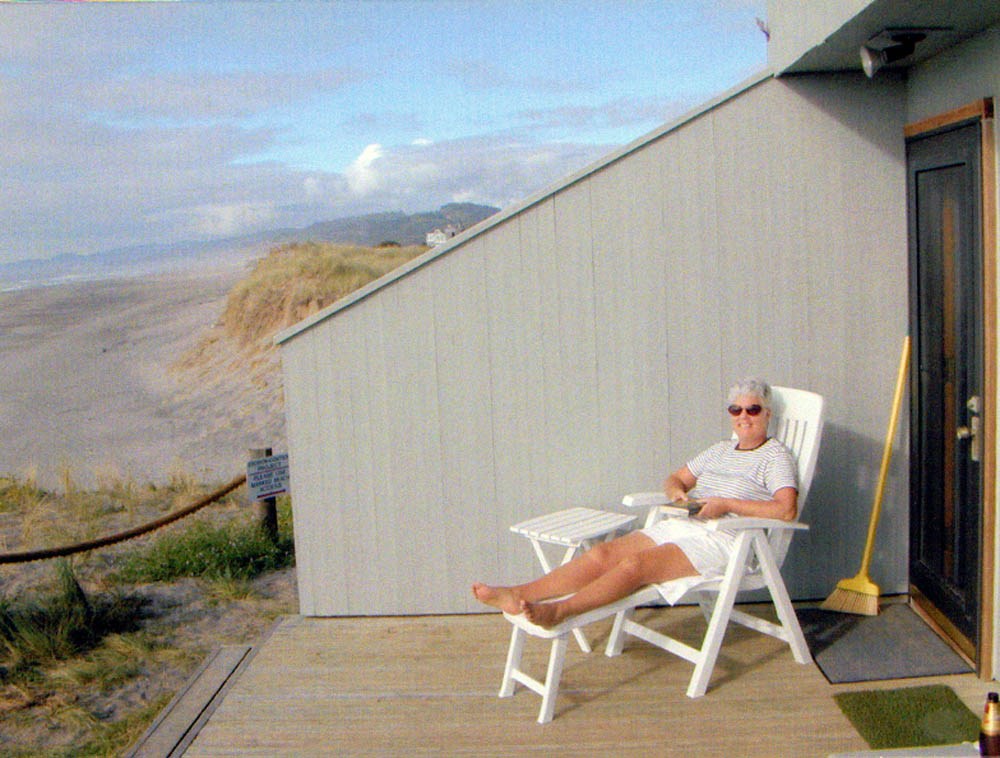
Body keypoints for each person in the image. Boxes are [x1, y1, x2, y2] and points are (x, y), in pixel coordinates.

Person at [472, 377, 798, 629]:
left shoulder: (775, 456)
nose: (744, 416)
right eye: (736, 409)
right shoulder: (718, 450)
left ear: (767, 414)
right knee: (603, 553)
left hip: (727, 539)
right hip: (686, 523)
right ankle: (519, 593)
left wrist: (727, 504)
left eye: (753, 409)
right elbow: (676, 478)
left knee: (634, 567)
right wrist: (677, 495)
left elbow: (786, 509)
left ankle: (558, 611)